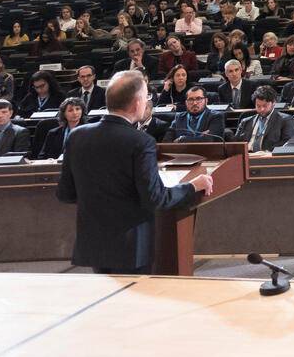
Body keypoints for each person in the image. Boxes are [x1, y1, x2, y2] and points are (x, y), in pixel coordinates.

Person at [57, 70, 213, 274]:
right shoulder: (140, 141)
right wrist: (193, 186)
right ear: (137, 102)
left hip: (94, 241)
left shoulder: (77, 136)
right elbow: (155, 198)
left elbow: (66, 193)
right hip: (130, 246)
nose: (147, 101)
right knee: (133, 295)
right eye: (146, 96)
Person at [234, 86, 294, 152]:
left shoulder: (285, 120)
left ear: (274, 102)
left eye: (265, 106)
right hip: (246, 154)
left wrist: (267, 152)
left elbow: (287, 142)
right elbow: (236, 143)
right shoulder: (245, 121)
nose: (261, 109)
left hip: (268, 155)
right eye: (258, 106)